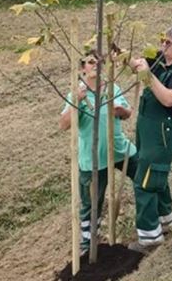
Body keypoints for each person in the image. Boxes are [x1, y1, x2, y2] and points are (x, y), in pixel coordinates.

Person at [59, 51, 137, 254]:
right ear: (82, 68)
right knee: (92, 202)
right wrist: (77, 102)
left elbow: (128, 113)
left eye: (100, 62)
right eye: (91, 62)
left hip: (119, 149)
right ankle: (88, 244)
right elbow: (64, 125)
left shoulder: (112, 88)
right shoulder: (76, 94)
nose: (96, 65)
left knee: (145, 177)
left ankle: (160, 217)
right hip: (92, 158)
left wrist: (119, 110)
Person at [127, 25, 172, 253]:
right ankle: (165, 219)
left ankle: (150, 238)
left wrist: (147, 75)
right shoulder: (159, 58)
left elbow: (168, 99)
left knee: (145, 181)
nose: (163, 46)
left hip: (163, 132)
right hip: (147, 128)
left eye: (169, 43)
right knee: (156, 173)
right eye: (162, 40)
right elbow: (135, 64)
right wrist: (122, 56)